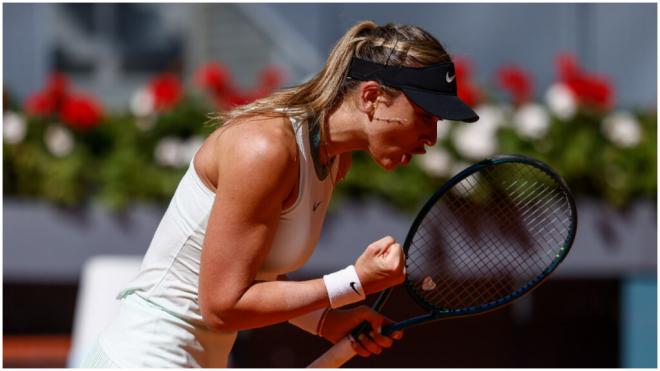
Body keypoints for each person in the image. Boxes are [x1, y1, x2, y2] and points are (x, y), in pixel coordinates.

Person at [81, 20, 478, 368]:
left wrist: (327, 321)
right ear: (372, 97)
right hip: (145, 356)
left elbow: (262, 271)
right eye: (425, 115)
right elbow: (223, 307)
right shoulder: (266, 149)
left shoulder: (333, 160)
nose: (432, 137)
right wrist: (354, 282)